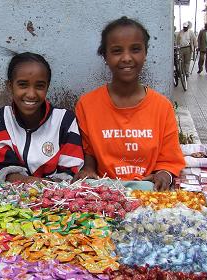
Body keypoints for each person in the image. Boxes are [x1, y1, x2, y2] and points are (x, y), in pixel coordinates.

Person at [74, 16, 185, 191]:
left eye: (135, 49)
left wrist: (165, 173)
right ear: (105, 56)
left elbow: (170, 160)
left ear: (145, 53)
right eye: (117, 51)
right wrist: (88, 169)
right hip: (104, 194)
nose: (126, 58)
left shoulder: (162, 107)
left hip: (149, 193)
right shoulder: (87, 105)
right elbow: (89, 154)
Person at [0, 52, 84, 183]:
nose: (31, 94)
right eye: (23, 85)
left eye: (39, 86)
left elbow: (70, 170)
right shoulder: (3, 117)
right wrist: (30, 183)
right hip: (11, 196)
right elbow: (0, 167)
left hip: (55, 196)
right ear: (10, 86)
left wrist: (40, 187)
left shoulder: (64, 120)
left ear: (47, 87)